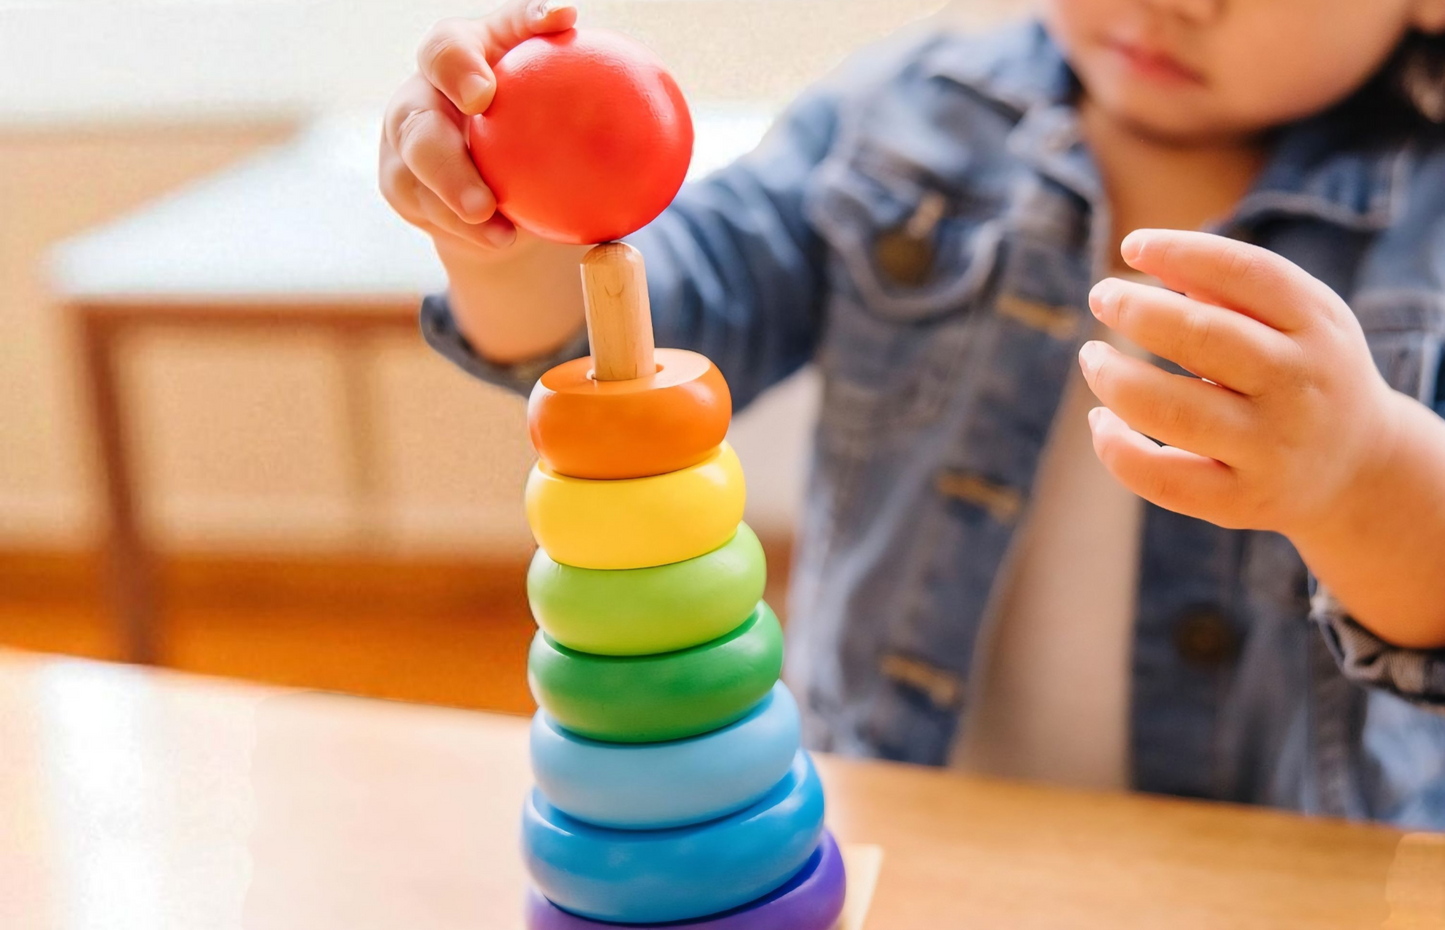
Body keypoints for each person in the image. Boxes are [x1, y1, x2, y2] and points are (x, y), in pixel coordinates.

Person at [380, 0, 1445, 826]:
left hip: (1267, 874)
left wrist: (1361, 473)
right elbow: (627, 335)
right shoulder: (897, 120)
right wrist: (510, 221)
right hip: (894, 826)